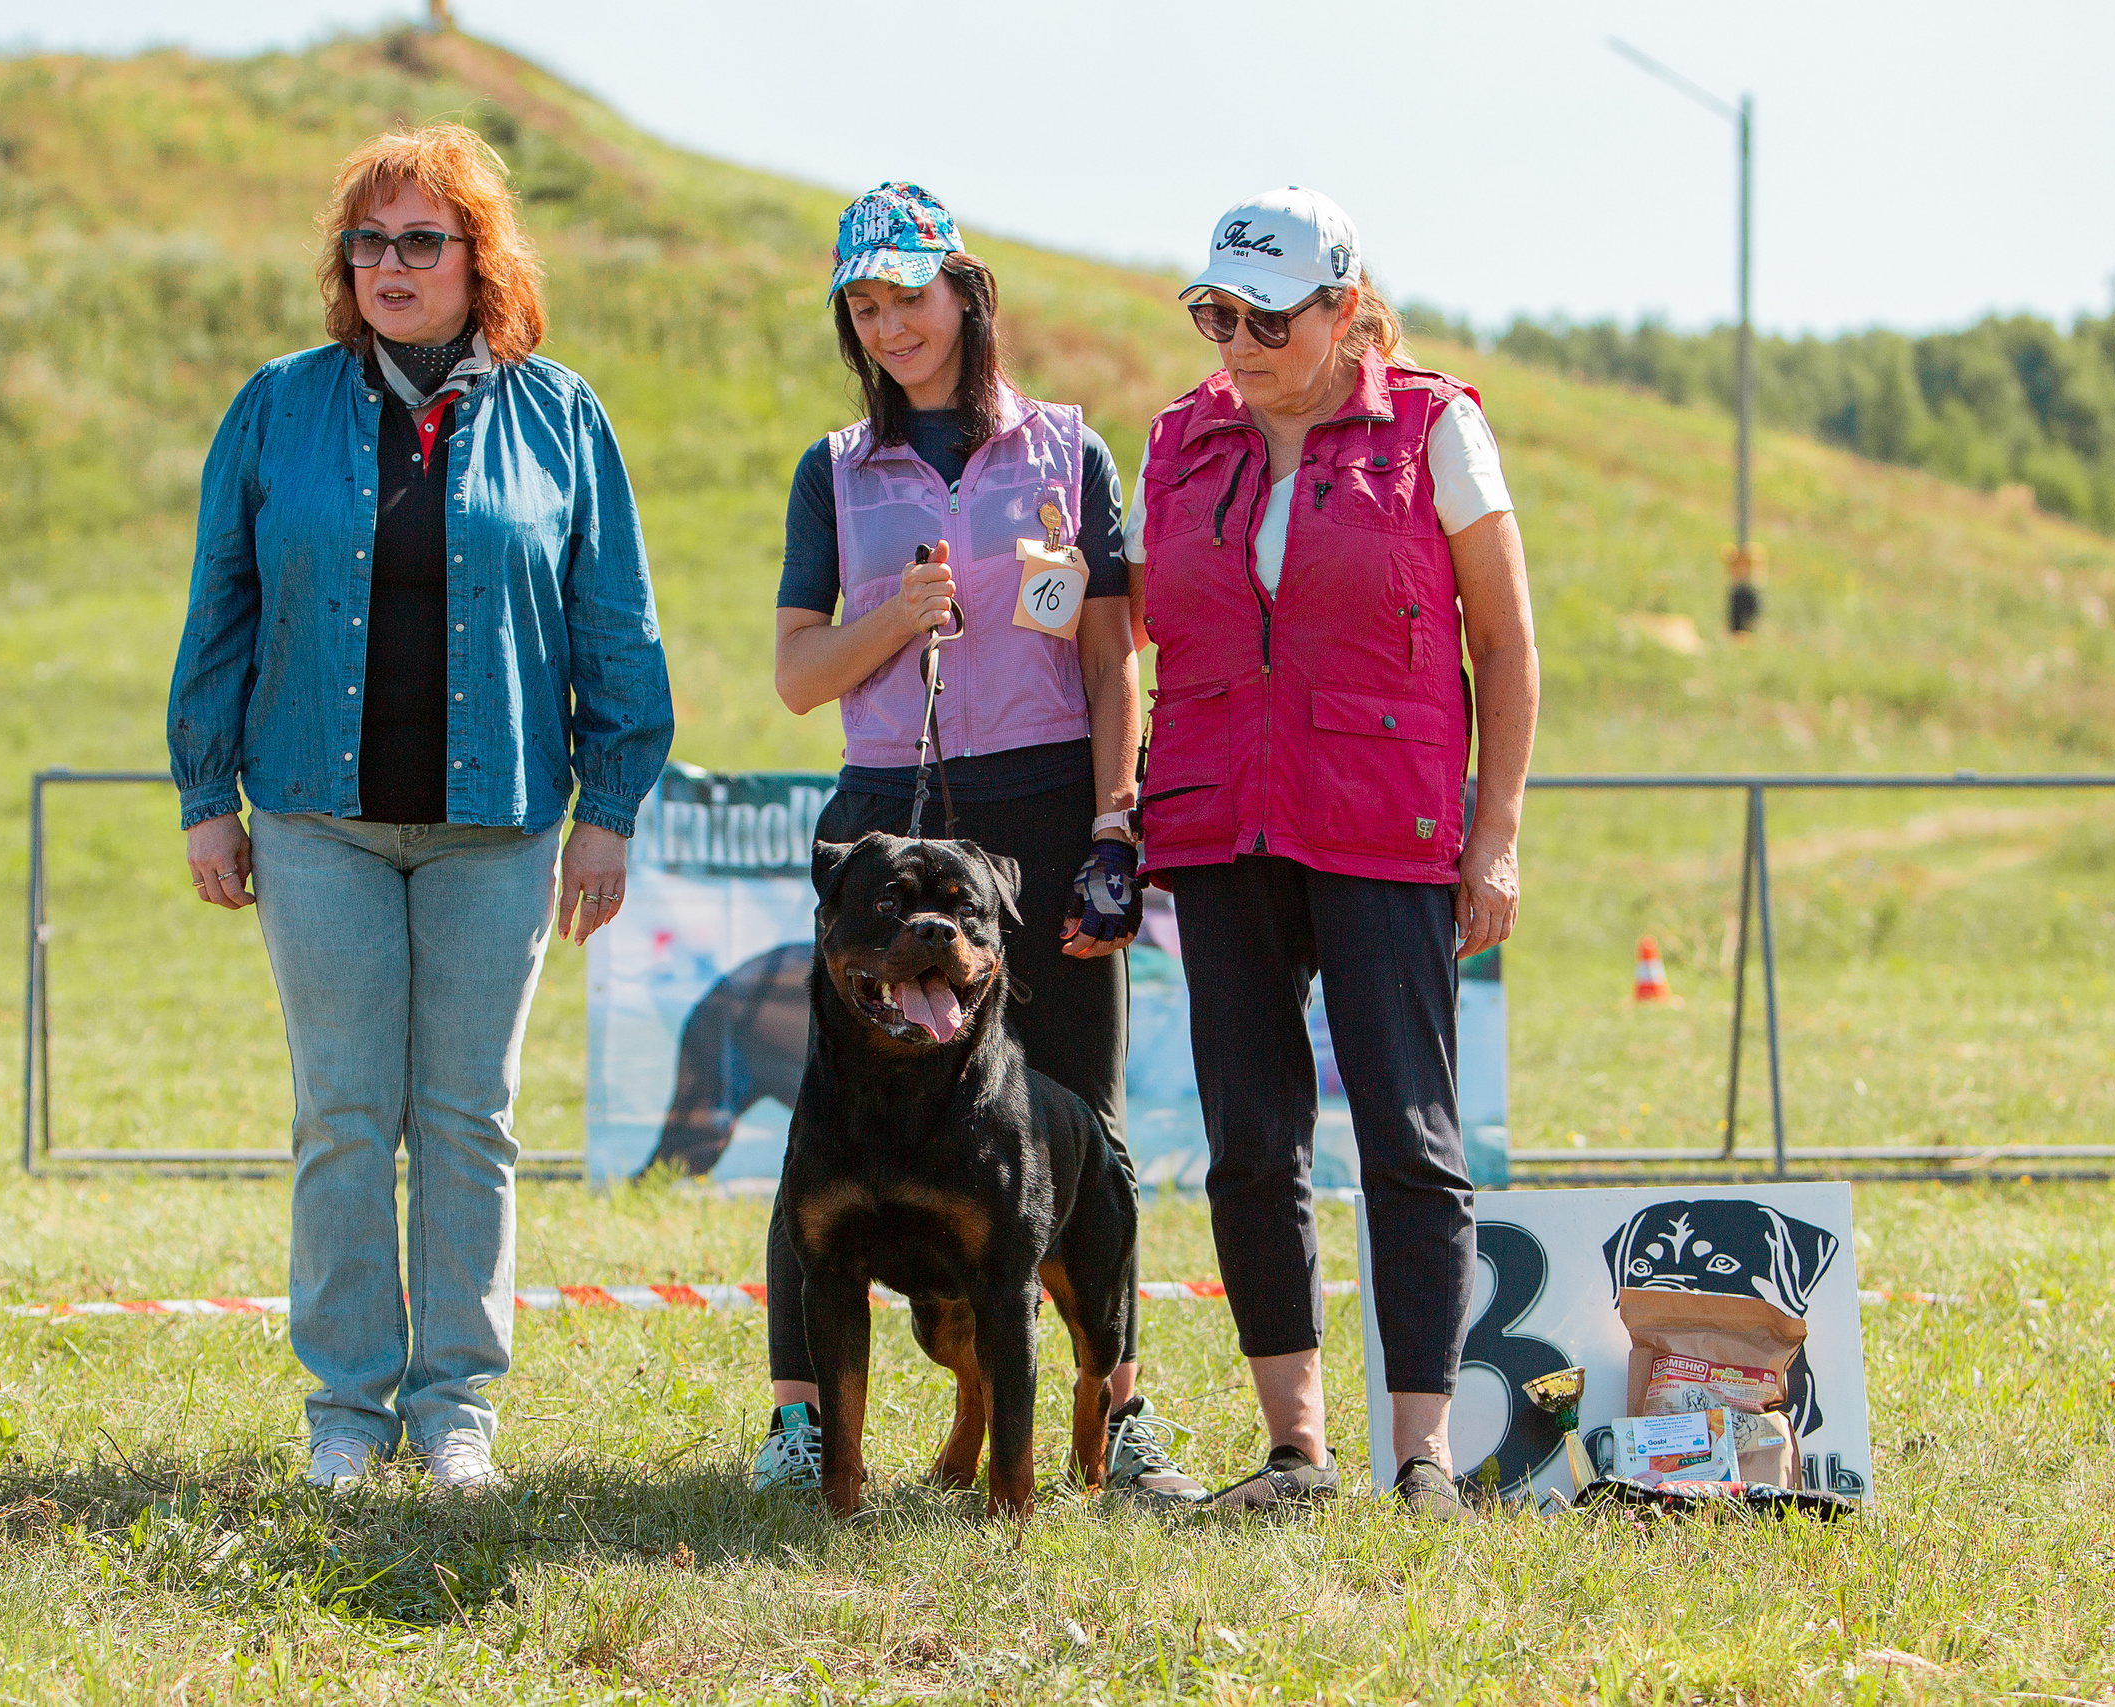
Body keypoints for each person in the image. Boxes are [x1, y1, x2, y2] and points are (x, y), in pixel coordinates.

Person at [167, 125, 673, 1492]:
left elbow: (614, 622)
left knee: (466, 1119)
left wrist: (611, 801)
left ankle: (457, 1411)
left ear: (477, 259)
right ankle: (346, 1414)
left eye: (420, 241)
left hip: (498, 823)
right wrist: (207, 792)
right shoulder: (278, 405)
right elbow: (221, 604)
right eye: (369, 241)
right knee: (342, 1114)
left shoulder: (561, 416)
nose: (391, 265)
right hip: (315, 821)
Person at [755, 182, 1201, 1508]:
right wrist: (893, 615)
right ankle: (798, 1425)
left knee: (1086, 1130)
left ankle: (1113, 1414)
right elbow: (795, 675)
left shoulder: (1070, 450)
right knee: (827, 1130)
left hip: (1043, 816)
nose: (889, 323)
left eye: (908, 294)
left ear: (966, 290)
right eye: (864, 304)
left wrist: (1114, 822)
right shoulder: (834, 469)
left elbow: (1118, 654)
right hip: (884, 822)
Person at [1124, 187, 1537, 1518]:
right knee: (1250, 1139)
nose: (1233, 341)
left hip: (1388, 826)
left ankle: (1422, 1456)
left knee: (1411, 1139)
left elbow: (1508, 650)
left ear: (1345, 309)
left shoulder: (1440, 426)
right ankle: (1293, 1449)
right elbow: (1134, 638)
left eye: (1263, 316)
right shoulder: (1179, 441)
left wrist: (1500, 834)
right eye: (1212, 312)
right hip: (1219, 825)